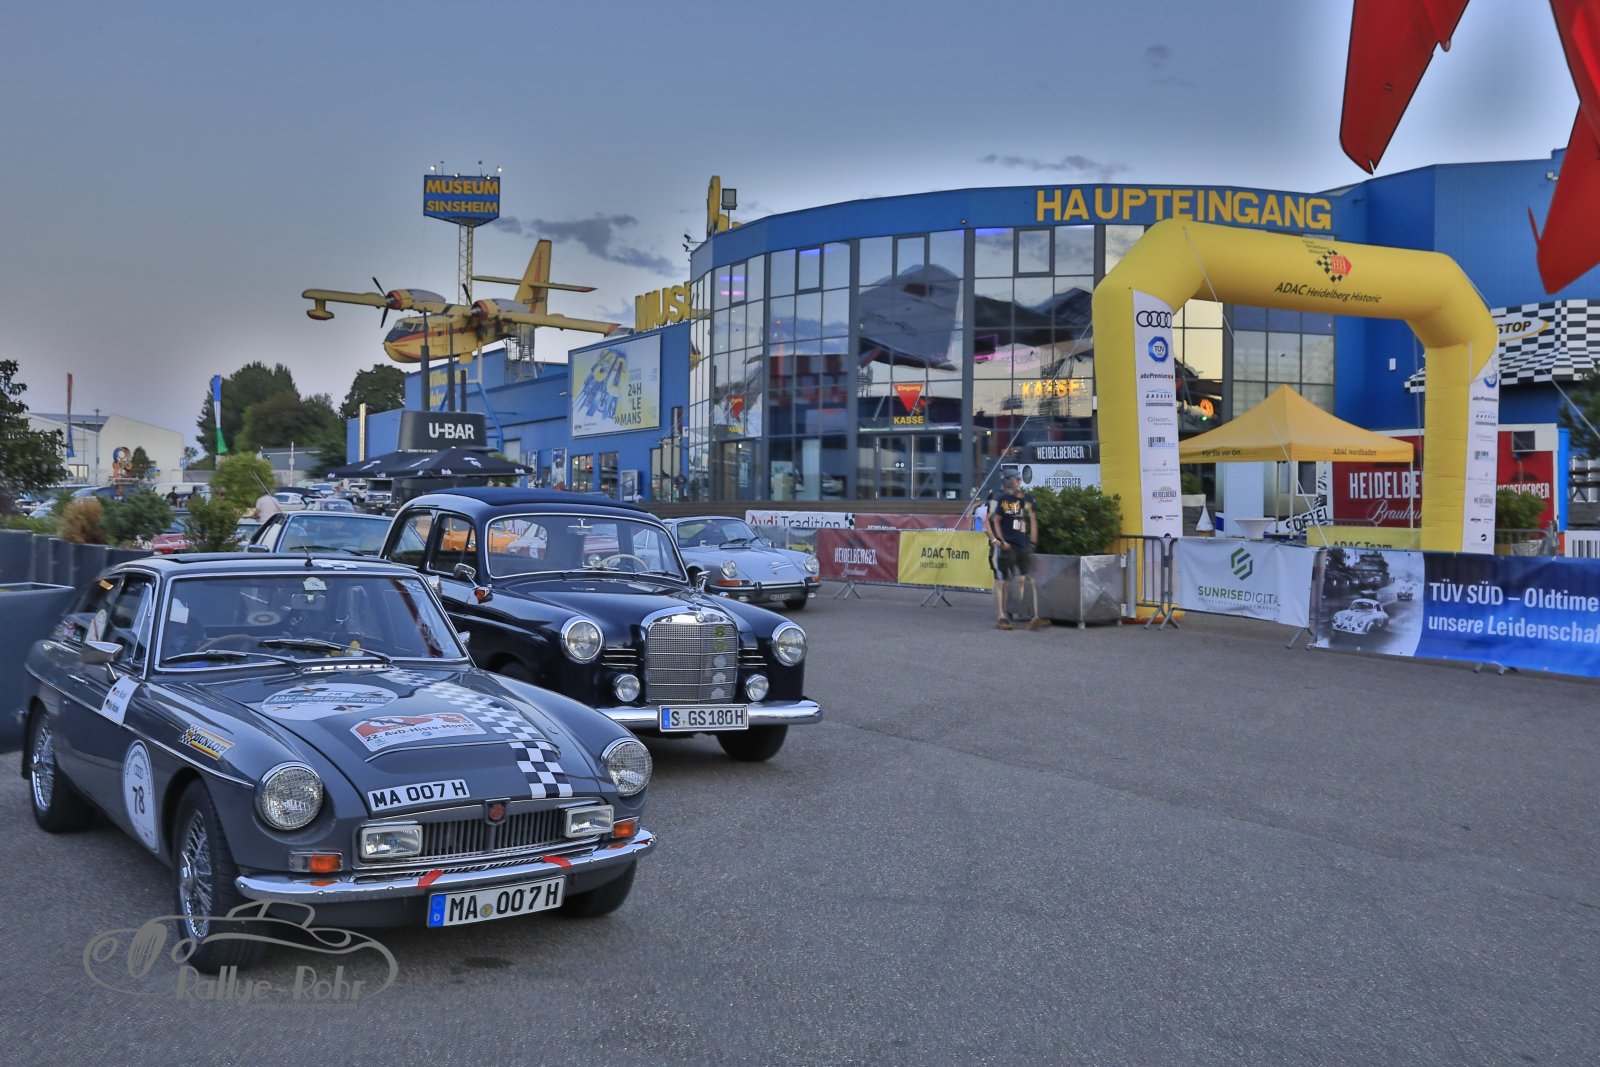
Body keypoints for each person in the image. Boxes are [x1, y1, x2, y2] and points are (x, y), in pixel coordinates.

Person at [986, 474, 1047, 630]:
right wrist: (995, 540)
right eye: (1016, 479)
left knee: (1023, 578)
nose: (1019, 482)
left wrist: (1032, 542)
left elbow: (1029, 519)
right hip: (1003, 545)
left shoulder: (1023, 499)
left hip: (1021, 544)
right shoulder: (997, 497)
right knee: (1002, 580)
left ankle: (1027, 614)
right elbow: (989, 520)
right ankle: (1002, 616)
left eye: (1019, 479)